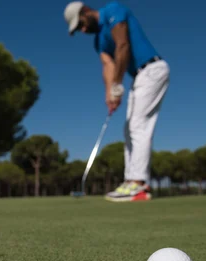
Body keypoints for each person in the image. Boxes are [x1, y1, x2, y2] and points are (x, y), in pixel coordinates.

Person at [64, 1, 170, 202]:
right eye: (78, 29)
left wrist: (117, 86)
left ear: (85, 11)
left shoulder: (113, 11)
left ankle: (138, 185)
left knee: (138, 125)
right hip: (138, 77)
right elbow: (108, 65)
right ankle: (130, 181)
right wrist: (109, 95)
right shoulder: (98, 42)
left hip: (152, 69)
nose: (83, 30)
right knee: (129, 128)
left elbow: (123, 46)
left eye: (81, 24)